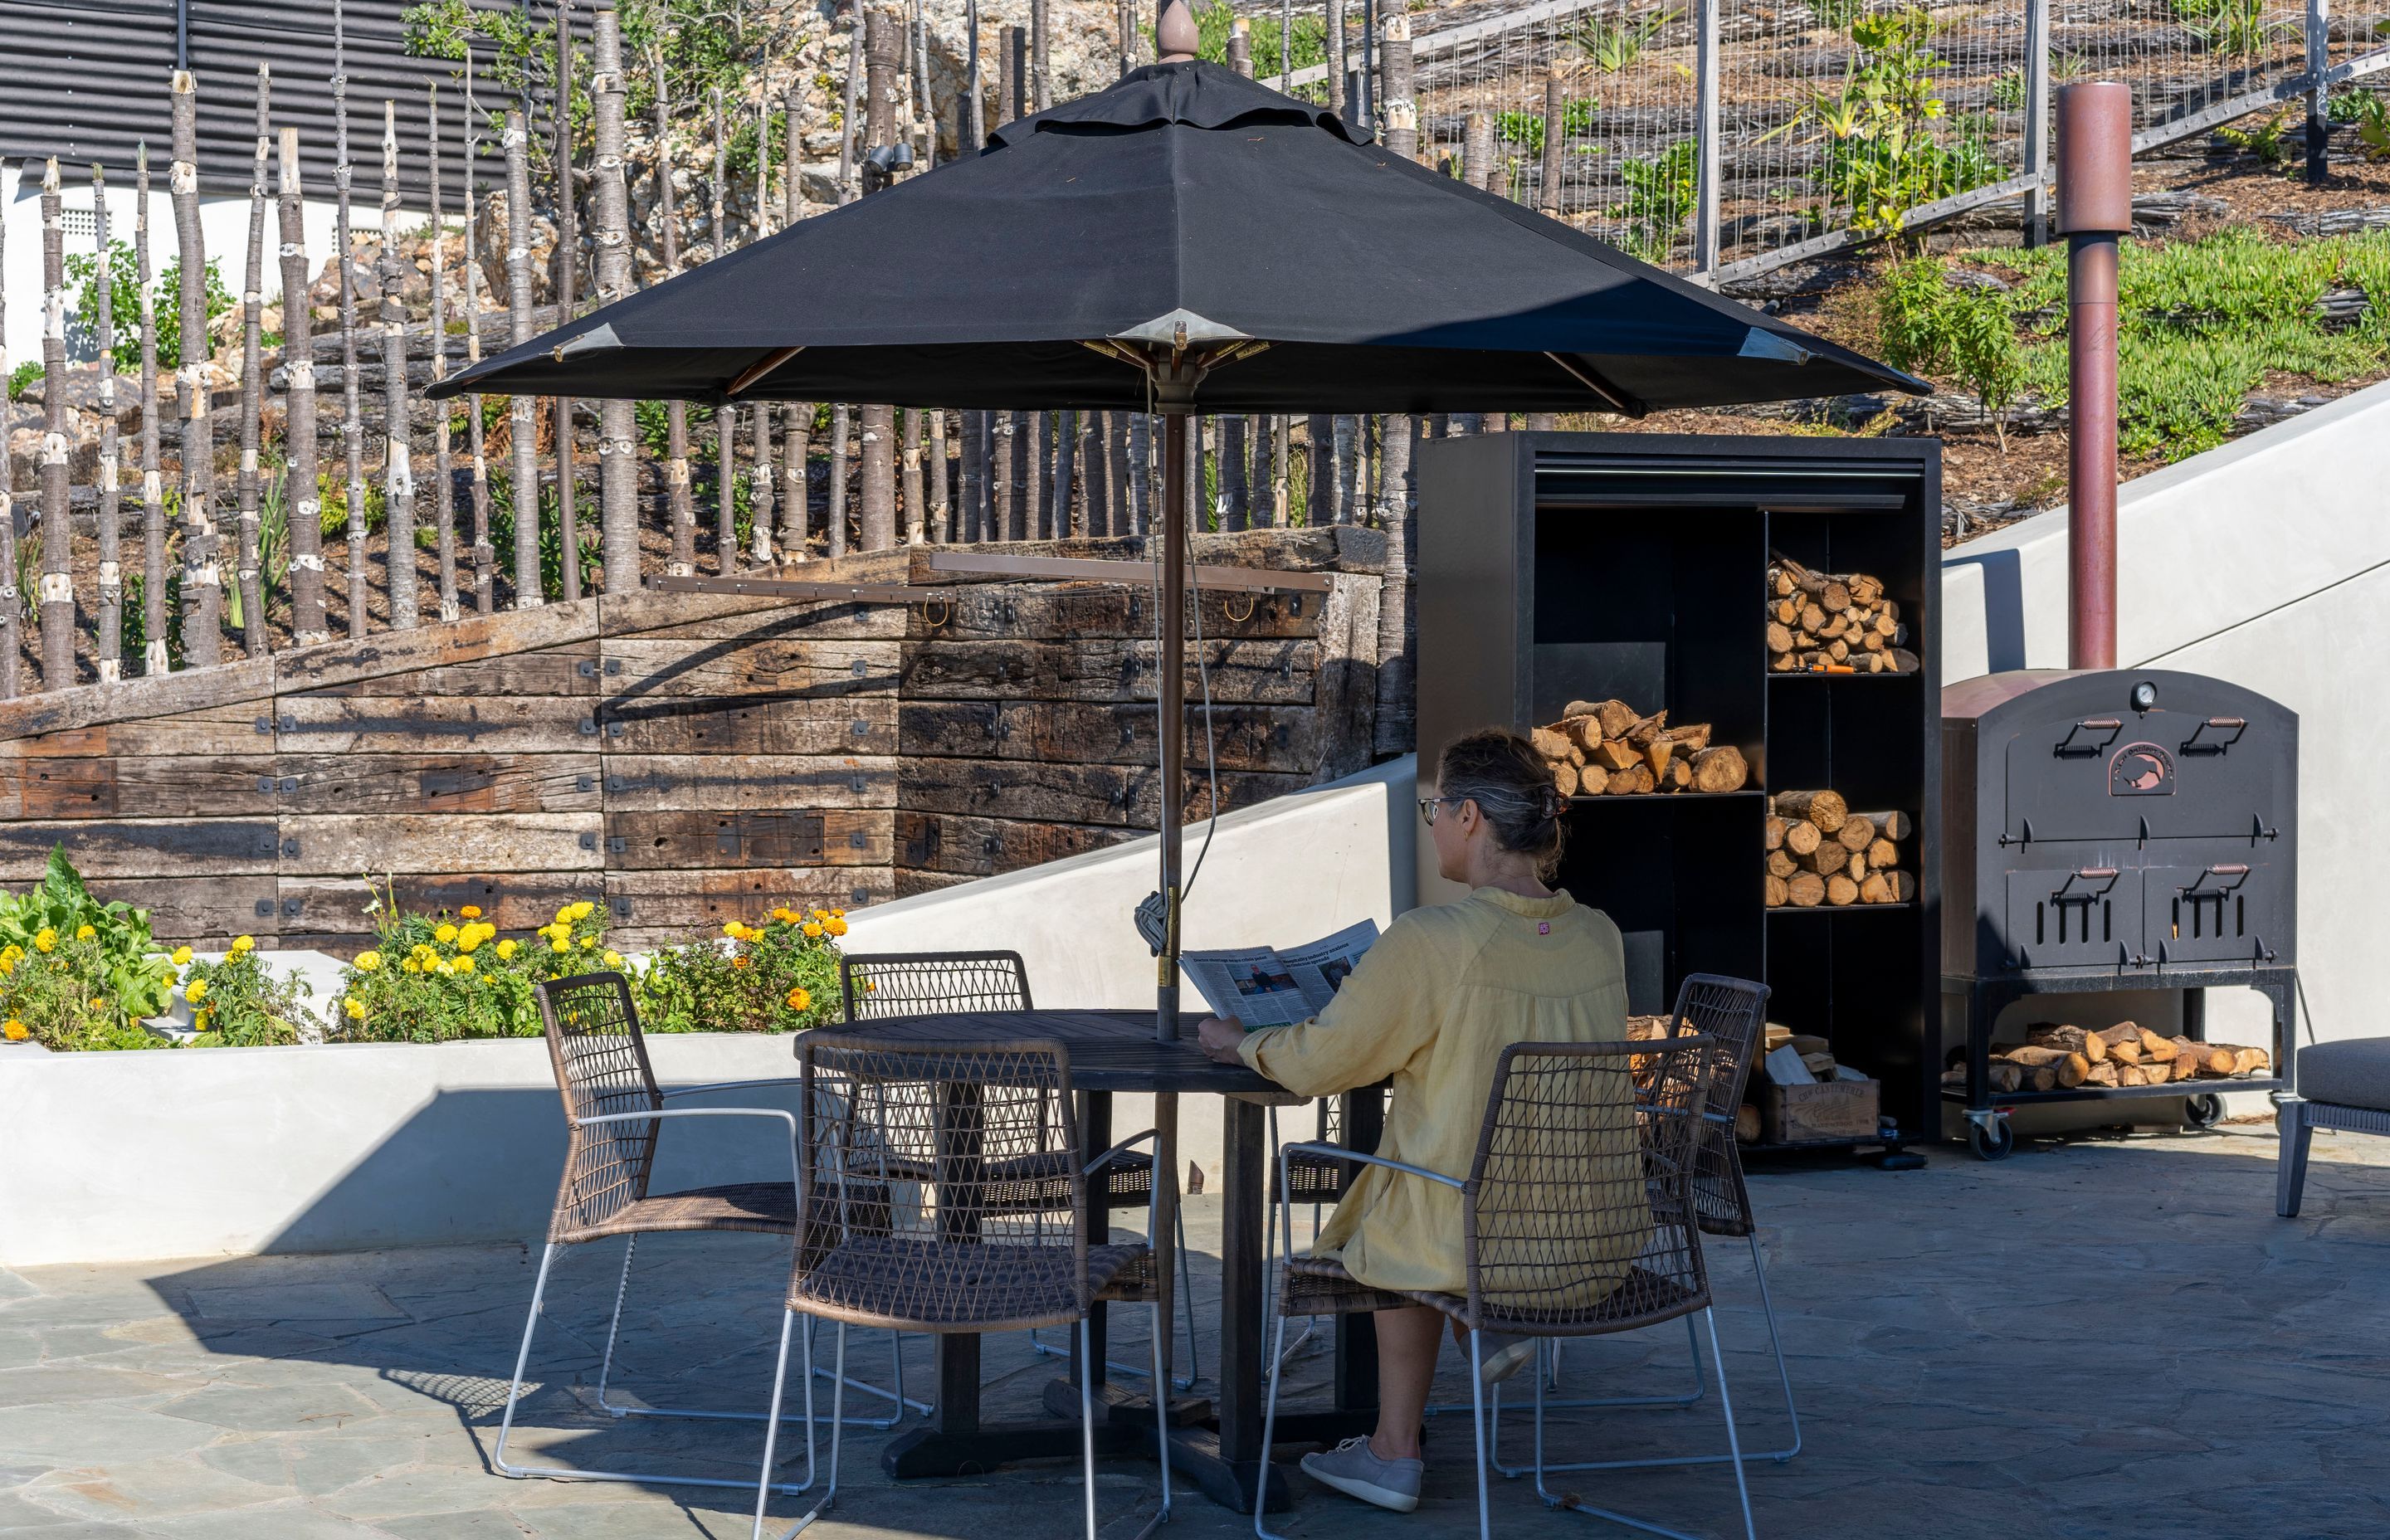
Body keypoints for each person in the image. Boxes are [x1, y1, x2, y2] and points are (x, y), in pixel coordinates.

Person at [1195, 727, 1636, 1516]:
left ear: (1470, 817)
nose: (1430, 820)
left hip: (1474, 1235)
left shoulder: (1436, 939)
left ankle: (1397, 1448)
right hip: (1590, 1238)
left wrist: (1242, 1043)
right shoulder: (1600, 935)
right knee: (1430, 1177)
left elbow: (1326, 1060)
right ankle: (1482, 1335)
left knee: (1396, 1200)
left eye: (1434, 805)